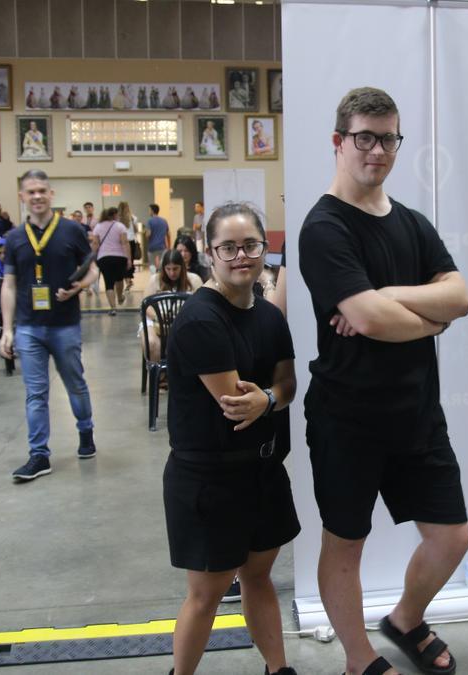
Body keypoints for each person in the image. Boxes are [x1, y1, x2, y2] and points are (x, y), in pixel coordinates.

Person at [299, 86, 468, 675]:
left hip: (417, 412)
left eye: (388, 138)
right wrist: (429, 319)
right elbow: (369, 321)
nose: (378, 150)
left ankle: (404, 618)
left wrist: (388, 298)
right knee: (345, 544)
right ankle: (358, 658)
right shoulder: (323, 228)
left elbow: (462, 297)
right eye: (365, 138)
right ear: (339, 142)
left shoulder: (413, 223)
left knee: (453, 538)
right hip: (347, 417)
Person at [164, 203, 298, 675]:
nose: (241, 256)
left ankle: (278, 669)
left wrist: (267, 397)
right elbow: (236, 405)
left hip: (261, 471)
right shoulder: (202, 319)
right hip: (209, 479)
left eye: (251, 245)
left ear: (265, 249)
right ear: (209, 253)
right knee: (207, 594)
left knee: (259, 576)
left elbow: (286, 386)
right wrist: (268, 397)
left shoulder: (270, 317)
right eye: (228, 247)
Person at [0, 170, 100, 481]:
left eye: (42, 190)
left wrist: (78, 287)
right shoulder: (15, 238)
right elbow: (9, 284)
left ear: (51, 194)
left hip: (64, 324)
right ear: (22, 197)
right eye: (31, 192)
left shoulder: (71, 230)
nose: (37, 196)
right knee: (35, 392)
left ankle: (86, 431)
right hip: (29, 326)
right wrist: (7, 329)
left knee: (75, 384)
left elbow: (93, 270)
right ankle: (39, 455)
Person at [142, 248, 203, 363]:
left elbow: (202, 304)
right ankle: (160, 377)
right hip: (157, 322)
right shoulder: (155, 280)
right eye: (168, 269)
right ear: (163, 268)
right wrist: (157, 317)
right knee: (152, 343)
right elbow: (146, 306)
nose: (172, 273)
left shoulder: (194, 280)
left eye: (175, 269)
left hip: (186, 322)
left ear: (182, 267)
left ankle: (187, 376)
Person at [91, 207, 130, 315]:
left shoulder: (98, 226)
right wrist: (129, 258)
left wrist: (91, 257)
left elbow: (95, 244)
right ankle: (120, 297)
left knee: (108, 283)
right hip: (119, 257)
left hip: (104, 258)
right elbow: (125, 243)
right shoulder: (120, 226)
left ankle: (113, 308)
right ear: (114, 215)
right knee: (119, 279)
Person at [118, 201, 141, 288]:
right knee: (130, 261)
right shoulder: (133, 218)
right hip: (131, 242)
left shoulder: (117, 219)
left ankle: (126, 279)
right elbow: (136, 231)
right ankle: (129, 279)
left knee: (122, 261)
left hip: (121, 242)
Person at [145, 203, 171, 272]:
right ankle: (161, 276)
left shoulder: (150, 221)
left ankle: (154, 277)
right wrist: (168, 246)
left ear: (152, 211)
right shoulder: (164, 221)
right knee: (162, 264)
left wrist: (146, 236)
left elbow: (148, 234)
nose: (149, 212)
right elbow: (168, 234)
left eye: (149, 210)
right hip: (162, 247)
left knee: (152, 264)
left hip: (152, 247)